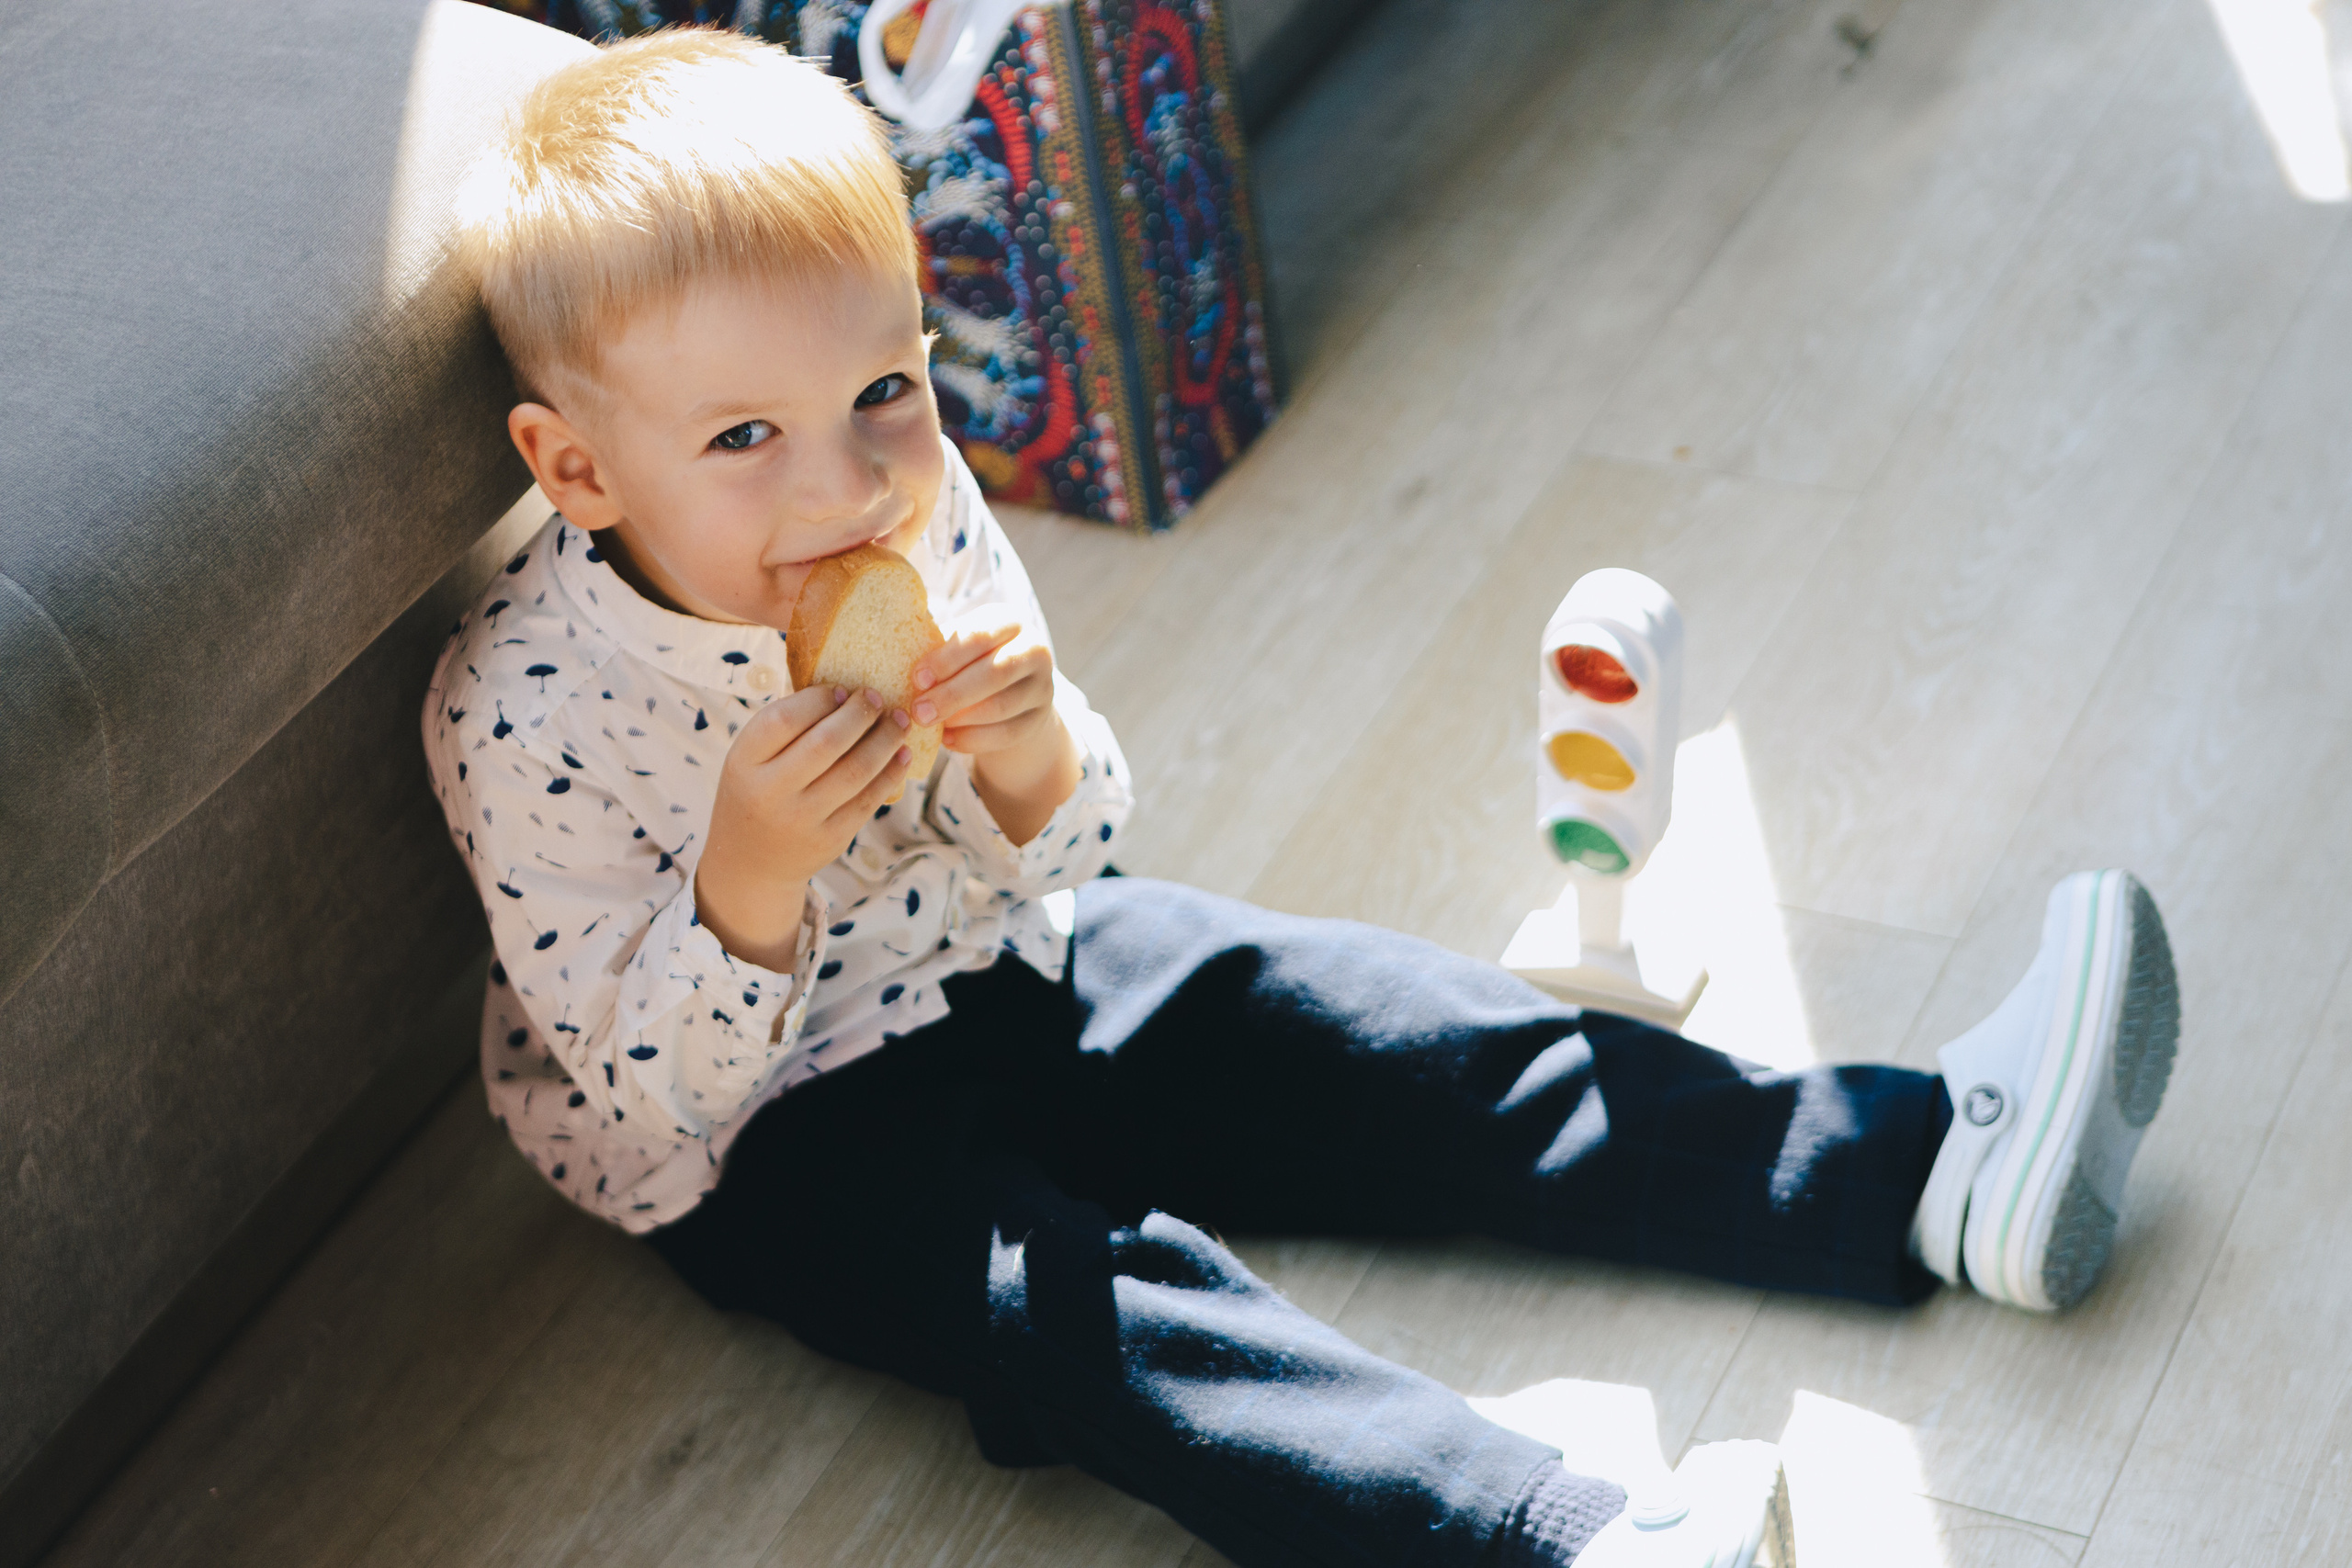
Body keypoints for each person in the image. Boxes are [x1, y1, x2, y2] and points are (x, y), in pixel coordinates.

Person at [421, 29, 2179, 1567]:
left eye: (884, 388)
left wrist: (1028, 745)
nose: (848, 477)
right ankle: (1540, 1540)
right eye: (746, 439)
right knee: (1094, 1315)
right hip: (769, 1137)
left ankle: (1917, 1167)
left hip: (997, 948)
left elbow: (1084, 840)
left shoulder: (911, 500)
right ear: (578, 467)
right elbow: (644, 1088)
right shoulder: (522, 707)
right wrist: (749, 873)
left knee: (1380, 1025)